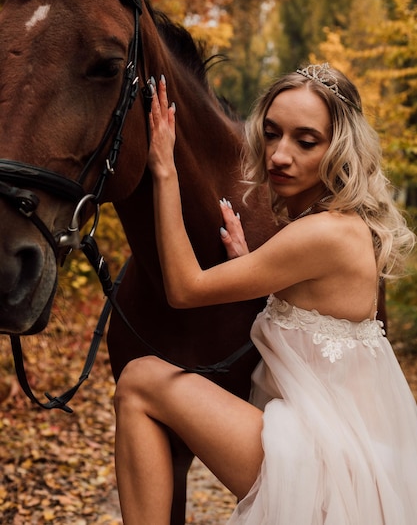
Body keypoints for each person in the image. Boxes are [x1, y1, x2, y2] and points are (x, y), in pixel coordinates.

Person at [114, 63, 417, 525]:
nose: (279, 155)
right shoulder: (337, 227)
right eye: (272, 134)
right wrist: (251, 264)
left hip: (317, 462)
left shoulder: (321, 235)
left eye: (305, 141)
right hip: (350, 452)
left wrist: (164, 170)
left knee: (138, 380)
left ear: (341, 149)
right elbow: (311, 306)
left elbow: (184, 289)